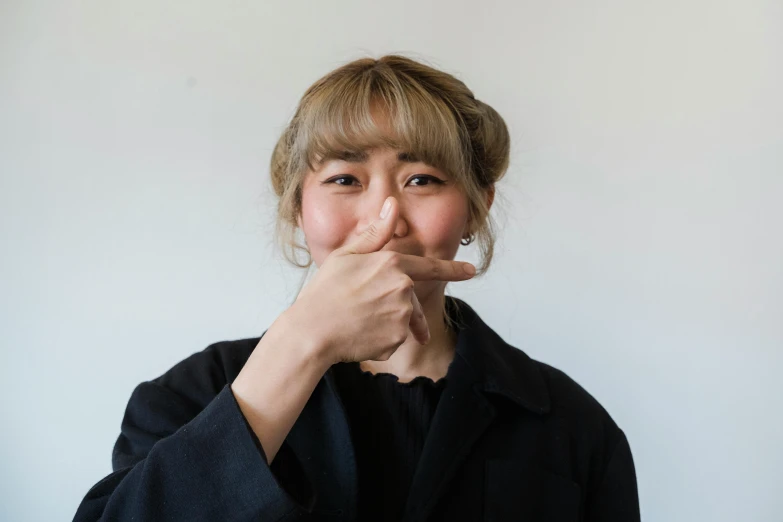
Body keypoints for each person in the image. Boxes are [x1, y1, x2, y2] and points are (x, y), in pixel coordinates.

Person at [73, 55, 640, 522]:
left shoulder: (571, 425)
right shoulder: (191, 395)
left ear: (476, 206)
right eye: (345, 179)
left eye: (423, 179)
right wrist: (301, 341)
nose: (385, 217)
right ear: (299, 208)